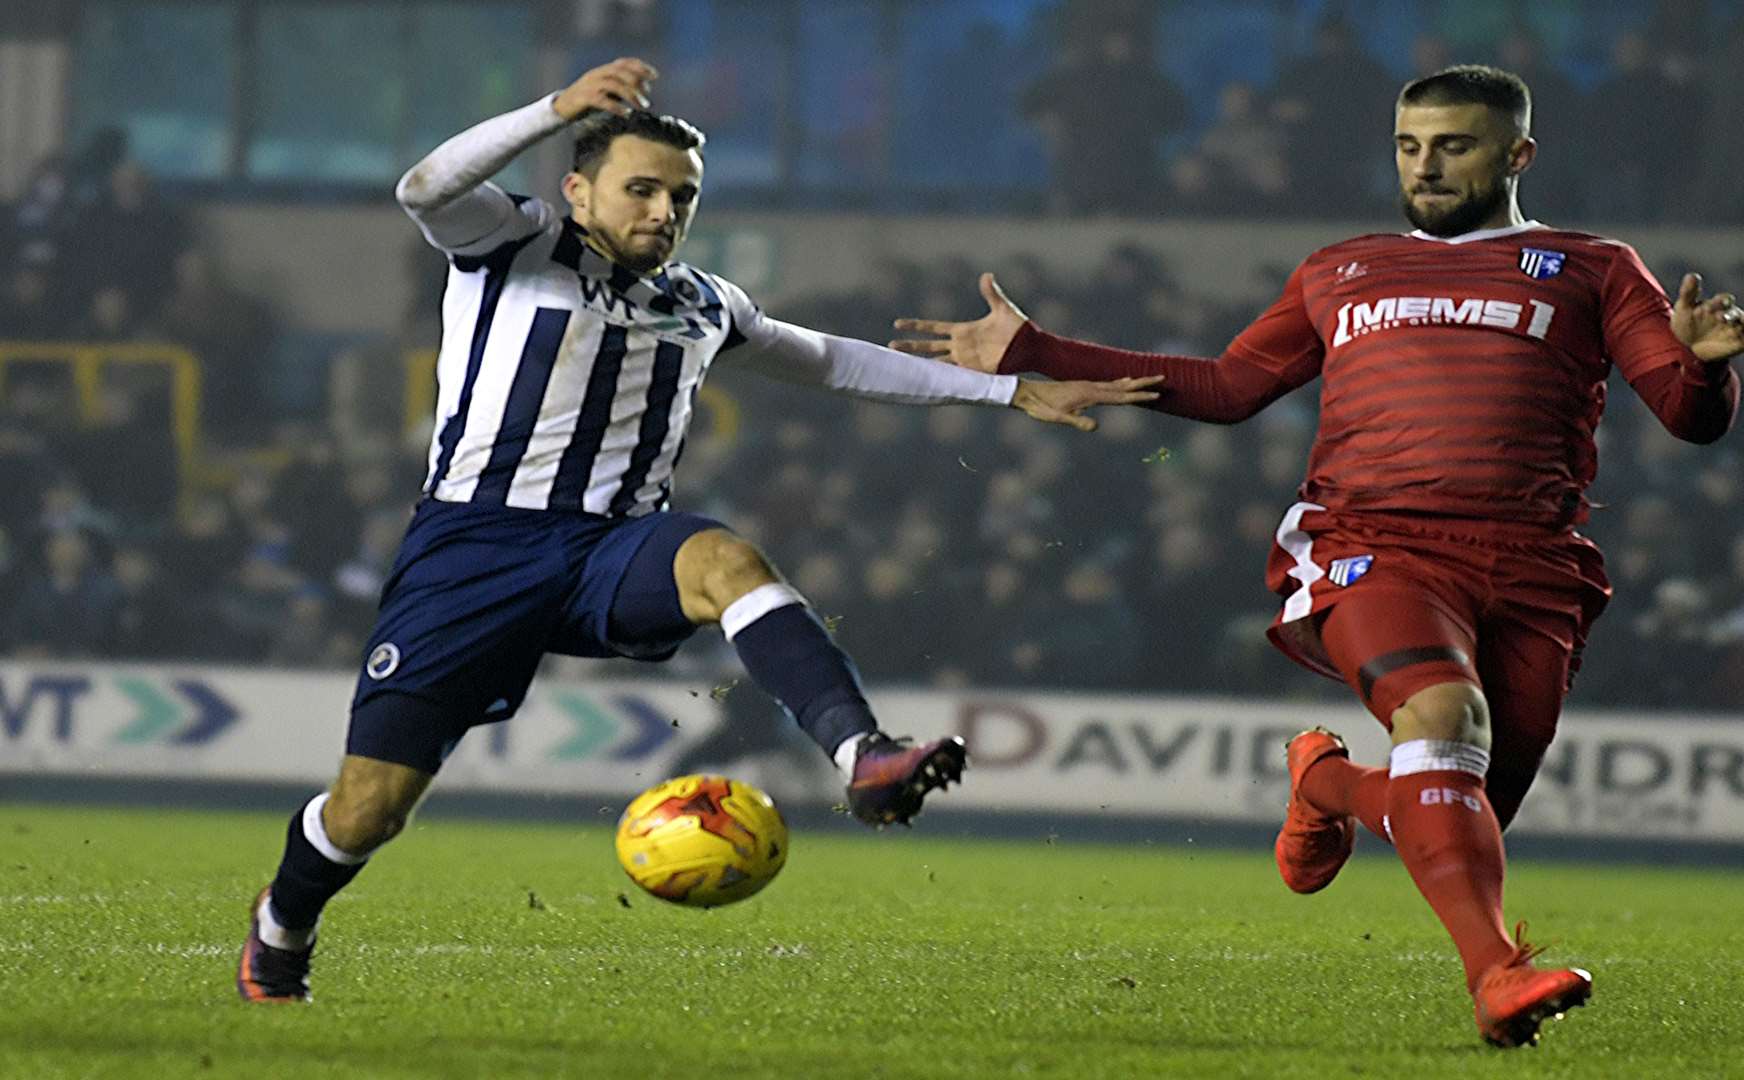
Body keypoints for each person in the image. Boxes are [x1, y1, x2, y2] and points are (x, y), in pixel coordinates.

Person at [236, 58, 1158, 1004]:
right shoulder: (514, 243)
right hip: (472, 553)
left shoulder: (703, 302)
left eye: (681, 196)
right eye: (640, 189)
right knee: (368, 812)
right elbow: (422, 186)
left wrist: (1010, 389)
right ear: (577, 188)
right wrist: (553, 109)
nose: (662, 212)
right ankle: (282, 928)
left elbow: (836, 363)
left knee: (725, 559)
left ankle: (864, 755)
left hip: (610, 553)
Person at [892, 65, 1744, 1047]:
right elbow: (1226, 386)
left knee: (1458, 804)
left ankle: (1329, 786)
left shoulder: (1594, 266)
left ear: (1518, 154)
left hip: (1533, 564)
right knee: (1446, 722)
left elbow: (1688, 419)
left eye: (1454, 146)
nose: (1426, 166)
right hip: (1374, 542)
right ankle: (1497, 979)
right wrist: (1038, 351)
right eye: (1409, 146)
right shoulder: (1340, 269)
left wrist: (1702, 369)